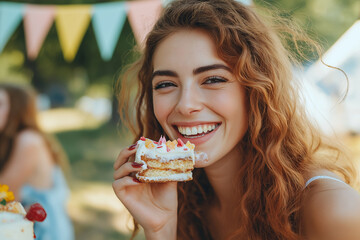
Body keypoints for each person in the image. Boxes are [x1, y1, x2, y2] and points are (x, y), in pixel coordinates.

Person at [112, 0, 360, 239]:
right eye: (165, 84)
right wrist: (161, 230)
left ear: (258, 88)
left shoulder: (332, 209)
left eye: (213, 79)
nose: (186, 105)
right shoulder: (186, 202)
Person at [0, 83, 74, 240]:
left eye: (0, 104)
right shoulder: (9, 141)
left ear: (16, 110)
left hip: (44, 231)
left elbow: (4, 193)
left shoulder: (28, 141)